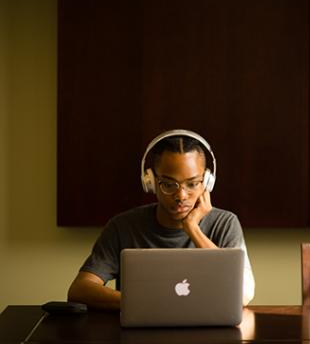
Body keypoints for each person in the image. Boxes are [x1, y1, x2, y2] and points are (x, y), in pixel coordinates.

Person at [67, 130, 255, 310]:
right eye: (168, 184)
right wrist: (144, 304)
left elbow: (242, 295)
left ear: (207, 182)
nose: (181, 195)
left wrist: (192, 228)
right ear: (150, 181)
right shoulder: (123, 226)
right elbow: (80, 289)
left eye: (192, 184)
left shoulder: (225, 223)